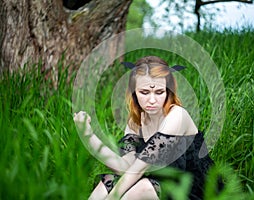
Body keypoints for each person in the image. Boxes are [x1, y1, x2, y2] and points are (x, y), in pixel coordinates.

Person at [73, 56, 221, 200]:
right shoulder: (135, 122)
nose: (152, 100)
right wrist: (88, 135)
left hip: (191, 190)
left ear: (168, 91)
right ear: (134, 93)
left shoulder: (177, 116)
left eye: (159, 92)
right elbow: (126, 167)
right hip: (158, 185)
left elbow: (139, 170)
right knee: (107, 182)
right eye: (144, 92)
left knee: (142, 187)